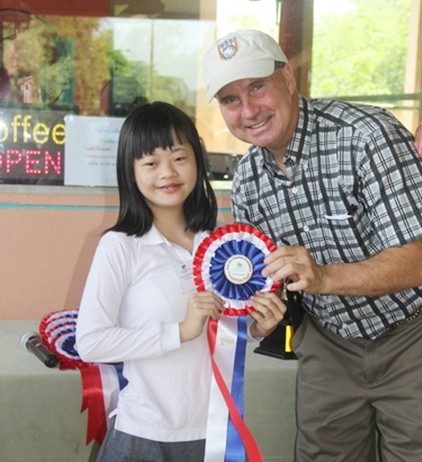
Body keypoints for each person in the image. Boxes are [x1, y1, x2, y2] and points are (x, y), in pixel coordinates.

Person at [203, 29, 422, 462]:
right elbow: (271, 283)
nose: (249, 111)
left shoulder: (368, 135)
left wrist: (322, 277)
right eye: (230, 100)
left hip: (417, 333)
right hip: (329, 340)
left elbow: (415, 264)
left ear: (288, 78)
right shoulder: (247, 181)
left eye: (258, 87)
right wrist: (256, 316)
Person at [75, 101, 285, 462]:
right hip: (143, 436)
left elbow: (224, 329)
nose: (167, 173)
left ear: (197, 161)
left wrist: (257, 328)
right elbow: (91, 343)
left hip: (214, 433)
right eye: (150, 163)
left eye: (179, 158)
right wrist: (180, 332)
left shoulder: (223, 244)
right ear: (130, 171)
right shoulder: (120, 246)